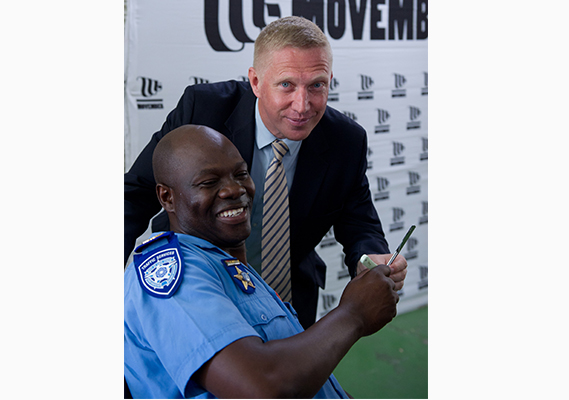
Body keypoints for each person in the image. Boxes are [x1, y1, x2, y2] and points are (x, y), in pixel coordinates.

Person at [124, 16, 407, 329]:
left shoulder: (346, 140)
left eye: (317, 85)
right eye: (286, 85)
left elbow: (360, 223)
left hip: (288, 299)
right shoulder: (203, 110)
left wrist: (370, 259)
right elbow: (134, 196)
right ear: (256, 82)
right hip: (194, 290)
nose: (302, 105)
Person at [124, 125, 399, 398]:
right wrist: (353, 314)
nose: (234, 189)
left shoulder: (226, 264)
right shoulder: (171, 273)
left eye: (241, 174)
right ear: (167, 197)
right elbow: (261, 388)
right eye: (209, 182)